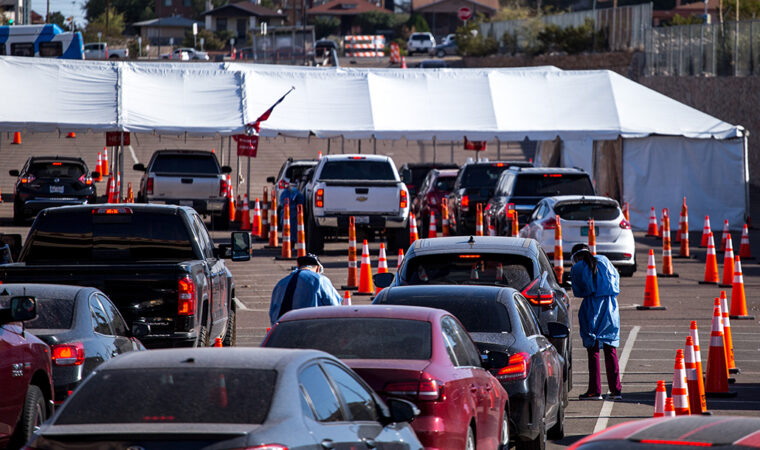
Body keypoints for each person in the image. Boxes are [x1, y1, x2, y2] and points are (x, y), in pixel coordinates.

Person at [570, 243, 623, 400]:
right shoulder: (604, 260)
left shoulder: (578, 267)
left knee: (592, 349)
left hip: (592, 307)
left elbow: (579, 292)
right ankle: (616, 390)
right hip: (611, 307)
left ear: (576, 256)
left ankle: (595, 390)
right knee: (610, 347)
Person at [269, 253, 342, 324]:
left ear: (298, 266)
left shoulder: (281, 283)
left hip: (283, 329)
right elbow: (335, 307)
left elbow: (273, 312)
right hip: (310, 328)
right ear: (318, 269)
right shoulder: (320, 279)